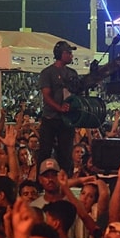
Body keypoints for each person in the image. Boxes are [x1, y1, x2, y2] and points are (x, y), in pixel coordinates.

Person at [38, 40, 80, 175]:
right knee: (45, 151)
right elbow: (46, 95)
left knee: (66, 153)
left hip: (67, 120)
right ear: (60, 54)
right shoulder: (47, 72)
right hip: (50, 118)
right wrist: (59, 107)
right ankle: (41, 181)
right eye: (68, 53)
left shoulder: (73, 73)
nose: (71, 56)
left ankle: (65, 181)